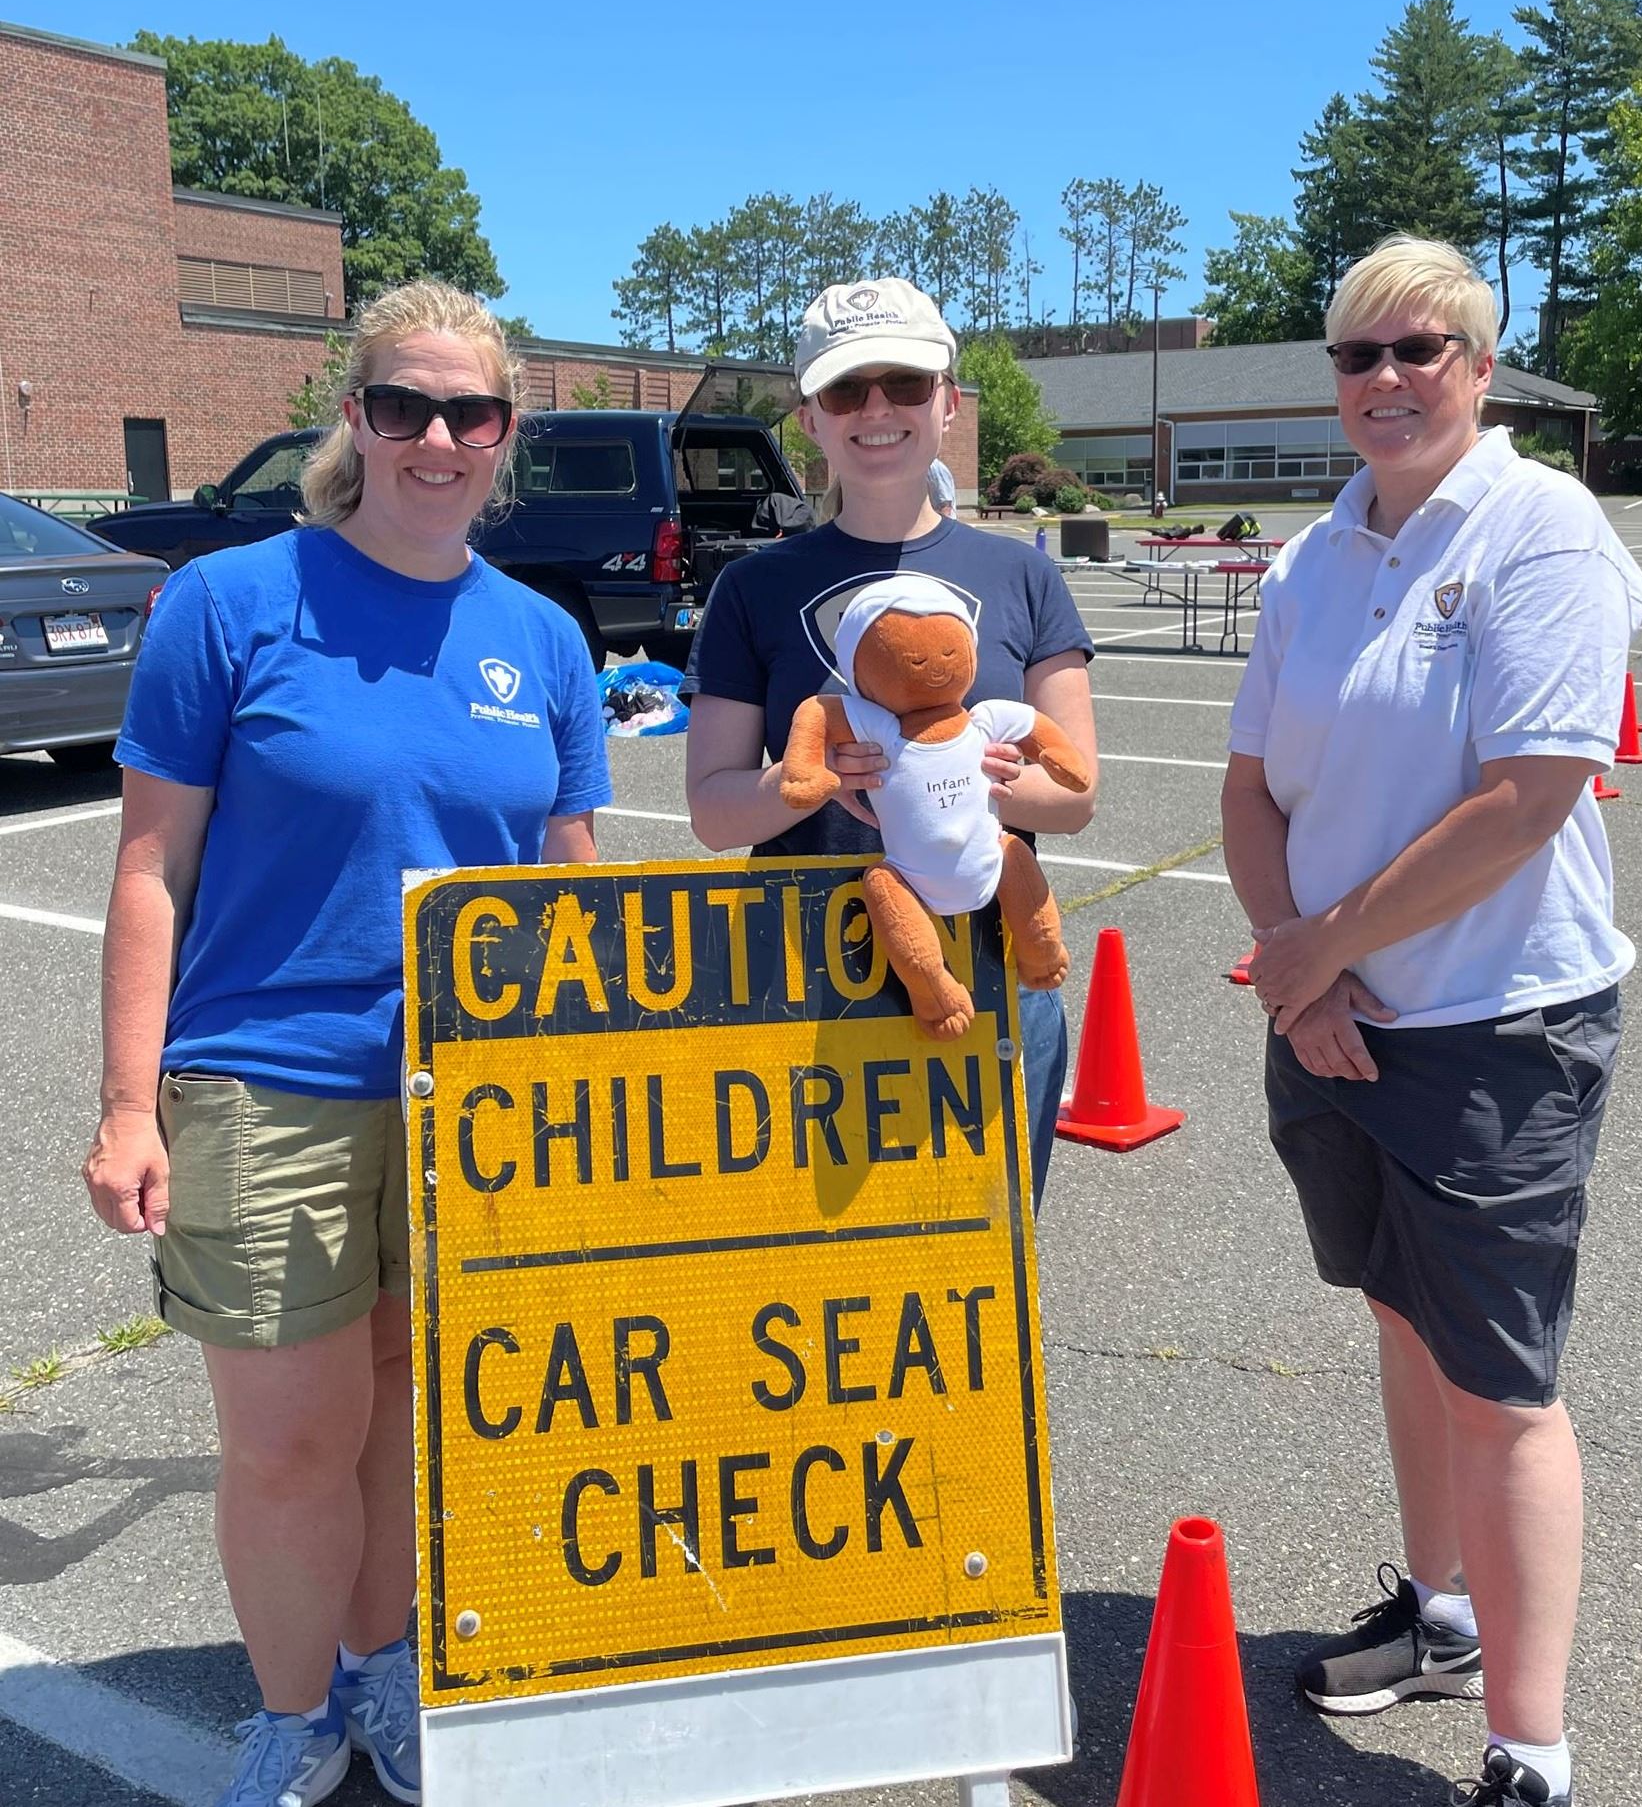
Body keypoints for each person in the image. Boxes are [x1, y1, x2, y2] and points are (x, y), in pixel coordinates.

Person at [81, 281, 610, 1807]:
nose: (437, 437)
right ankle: (292, 1704)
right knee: (293, 1439)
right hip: (271, 1080)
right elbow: (145, 867)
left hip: (473, 1097)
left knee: (396, 1405)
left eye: (472, 411)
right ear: (355, 420)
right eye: (404, 406)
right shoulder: (233, 603)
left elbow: (574, 892)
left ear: (505, 437)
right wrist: (130, 1103)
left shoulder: (543, 640)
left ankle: (380, 1669)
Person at [1221, 236, 1642, 1807]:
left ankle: (1527, 1751)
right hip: (1330, 1018)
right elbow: (1246, 785)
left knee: (1500, 1383)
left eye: (1420, 349)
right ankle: (1442, 1613)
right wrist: (1300, 961)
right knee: (1400, 1324)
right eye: (1355, 356)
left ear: (1479, 364)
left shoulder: (1541, 531)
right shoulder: (1316, 554)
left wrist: (1317, 950)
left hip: (1492, 1028)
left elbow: (1526, 798)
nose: (1385, 379)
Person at [684, 277, 1097, 1199]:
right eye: (846, 389)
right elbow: (713, 809)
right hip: (797, 969)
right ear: (809, 418)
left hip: (984, 965)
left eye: (905, 384)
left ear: (947, 402)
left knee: (989, 1258)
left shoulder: (1021, 578)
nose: (877, 409)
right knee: (815, 1258)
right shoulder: (753, 589)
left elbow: (1076, 798)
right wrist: (809, 780)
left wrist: (970, 781)